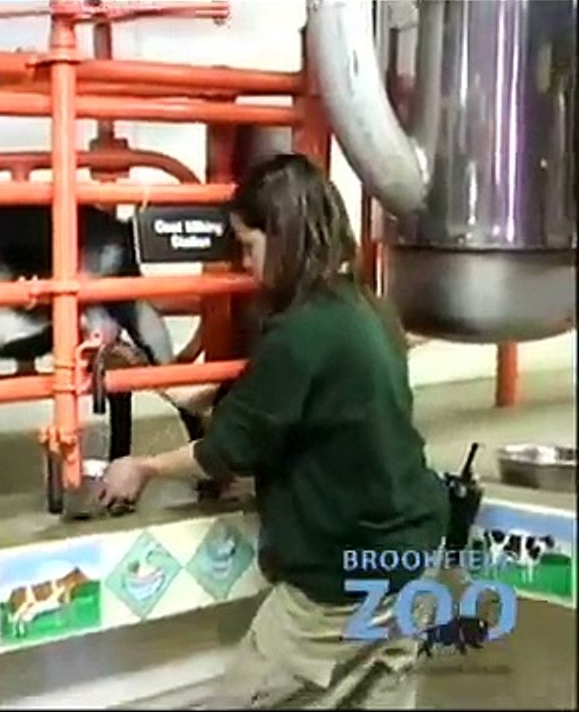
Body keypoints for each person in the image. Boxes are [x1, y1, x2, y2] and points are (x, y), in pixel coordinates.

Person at [99, 153, 451, 709]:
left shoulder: (300, 333)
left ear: (284, 235)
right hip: (415, 552)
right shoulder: (371, 309)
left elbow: (229, 449)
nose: (244, 261)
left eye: (249, 244)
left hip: (342, 577)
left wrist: (141, 466)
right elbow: (288, 412)